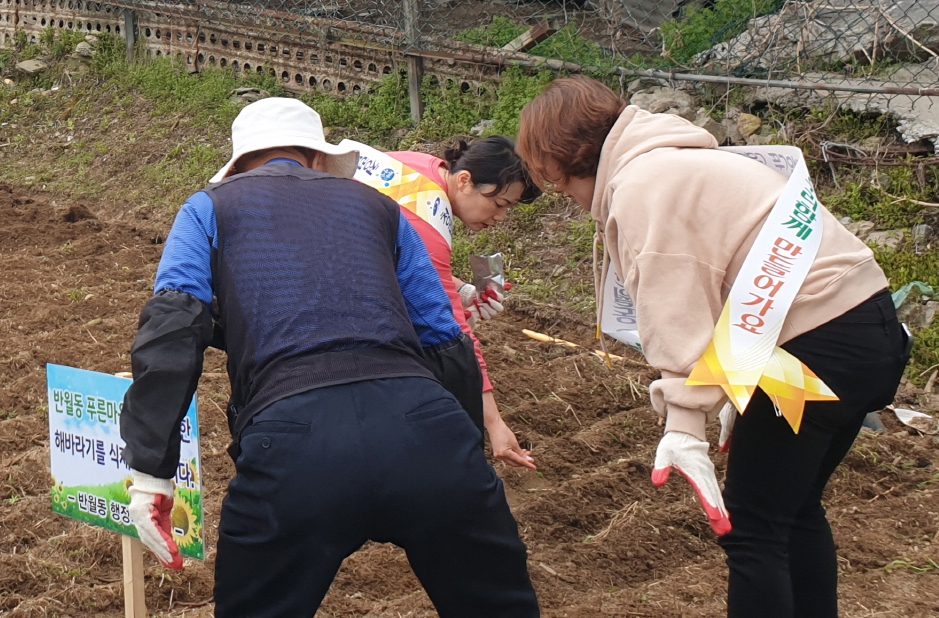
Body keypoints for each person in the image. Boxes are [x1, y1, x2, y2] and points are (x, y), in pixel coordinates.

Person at [120, 98, 540, 618]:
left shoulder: (208, 208)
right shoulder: (380, 208)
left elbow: (172, 330)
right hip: (423, 430)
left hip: (293, 446)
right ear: (318, 158)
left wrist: (151, 473)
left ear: (239, 162)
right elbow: (441, 337)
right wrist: (460, 451)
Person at [517, 77, 906, 618]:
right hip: (868, 330)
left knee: (753, 531)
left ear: (562, 161)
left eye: (556, 185)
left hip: (814, 348)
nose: (570, 201)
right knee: (792, 512)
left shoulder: (641, 185)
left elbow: (674, 306)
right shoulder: (680, 160)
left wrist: (685, 421)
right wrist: (732, 386)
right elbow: (732, 282)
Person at [344, 136, 541, 469]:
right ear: (465, 181)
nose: (503, 217)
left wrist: (464, 291)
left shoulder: (423, 165)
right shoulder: (429, 220)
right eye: (500, 203)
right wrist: (493, 422)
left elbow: (414, 265)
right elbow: (453, 331)